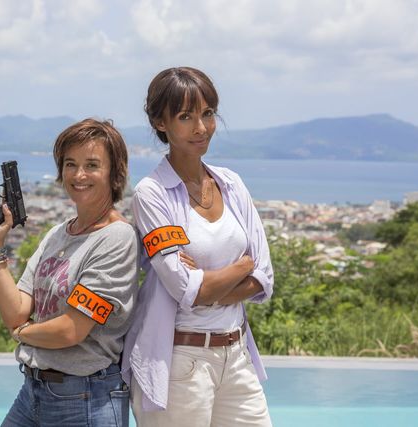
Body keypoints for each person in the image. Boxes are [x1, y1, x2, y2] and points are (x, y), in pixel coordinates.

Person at [122, 67, 274, 426]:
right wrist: (240, 267)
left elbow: (263, 277)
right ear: (160, 123)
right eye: (186, 117)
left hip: (236, 355)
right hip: (180, 361)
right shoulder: (152, 194)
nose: (201, 127)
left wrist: (209, 285)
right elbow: (187, 289)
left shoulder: (231, 184)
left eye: (208, 113)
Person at [0, 118, 138, 427]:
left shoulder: (116, 238)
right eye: (70, 164)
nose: (79, 175)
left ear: (114, 173)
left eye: (92, 165)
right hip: (33, 391)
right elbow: (16, 312)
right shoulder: (57, 234)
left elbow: (70, 331)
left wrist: (21, 334)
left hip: (86, 398)